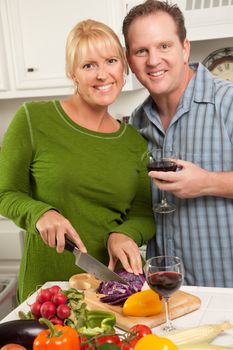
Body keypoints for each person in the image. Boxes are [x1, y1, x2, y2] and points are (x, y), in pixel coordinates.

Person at [0, 19, 155, 302]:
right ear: (72, 73)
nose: (102, 74)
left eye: (110, 61)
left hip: (112, 291)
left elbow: (144, 212)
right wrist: (40, 213)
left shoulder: (134, 142)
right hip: (48, 292)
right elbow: (5, 193)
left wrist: (125, 234)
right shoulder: (33, 120)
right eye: (88, 65)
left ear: (123, 67)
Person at [122, 0, 233, 287]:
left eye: (164, 46)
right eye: (141, 51)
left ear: (184, 48)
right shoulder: (137, 122)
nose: (153, 60)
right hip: (170, 295)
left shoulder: (228, 103)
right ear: (130, 60)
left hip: (226, 292)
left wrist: (208, 182)